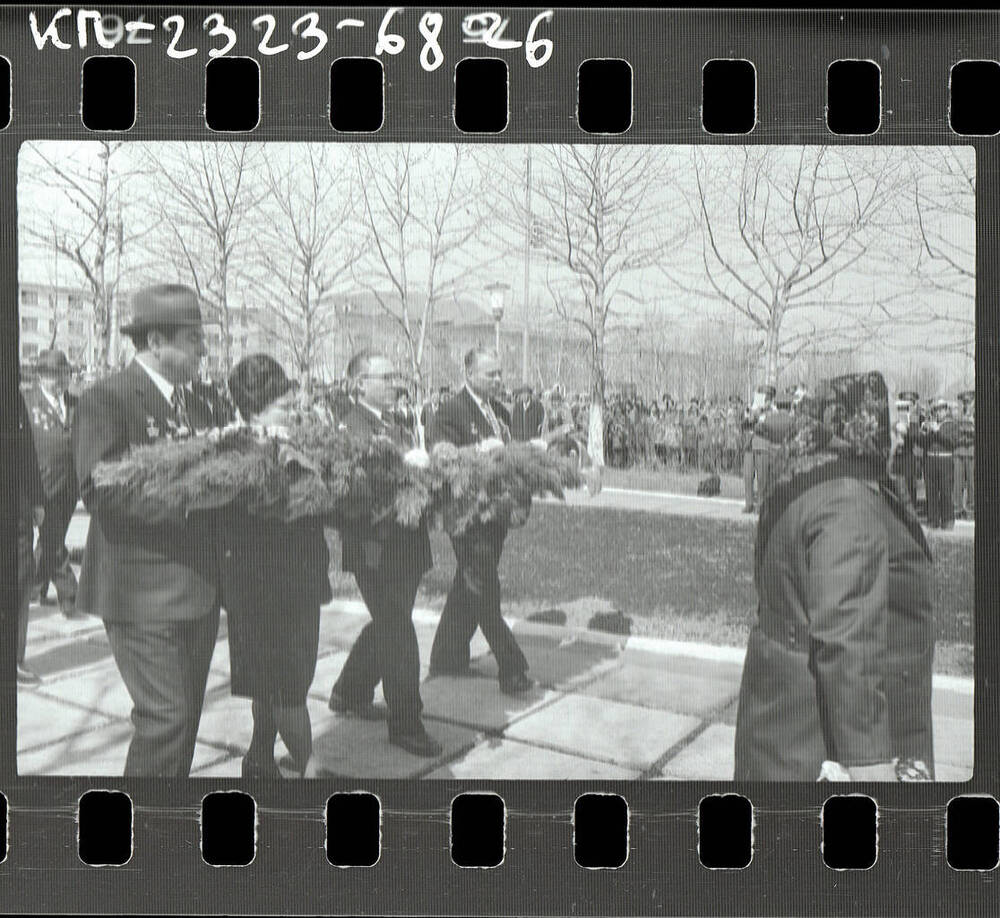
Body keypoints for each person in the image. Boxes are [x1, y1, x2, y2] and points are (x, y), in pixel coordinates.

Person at [735, 371, 935, 781]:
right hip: (822, 734)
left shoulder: (801, 477)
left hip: (777, 713)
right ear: (866, 422)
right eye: (887, 416)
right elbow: (849, 640)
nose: (896, 430)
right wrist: (872, 764)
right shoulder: (849, 500)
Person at [72, 284, 224, 777]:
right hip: (139, 591)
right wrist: (193, 501)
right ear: (156, 341)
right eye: (193, 337)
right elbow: (104, 491)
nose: (203, 347)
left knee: (185, 722)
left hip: (196, 589)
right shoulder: (108, 399)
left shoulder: (198, 404)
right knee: (165, 721)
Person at [220, 355, 330, 778]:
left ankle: (259, 758)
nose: (294, 410)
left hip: (294, 578)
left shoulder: (289, 443)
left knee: (272, 683)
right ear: (256, 408)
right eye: (285, 404)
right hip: (265, 587)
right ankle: (311, 768)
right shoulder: (242, 451)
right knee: (288, 688)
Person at [329, 351, 443, 757]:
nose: (395, 382)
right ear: (360, 384)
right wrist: (406, 470)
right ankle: (406, 723)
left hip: (404, 542)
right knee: (398, 632)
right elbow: (354, 492)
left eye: (394, 375)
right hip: (376, 546)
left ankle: (350, 691)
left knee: (388, 623)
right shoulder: (351, 427)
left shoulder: (390, 422)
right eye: (386, 376)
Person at [426, 348, 532, 695]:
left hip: (495, 514)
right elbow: (444, 462)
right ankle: (511, 667)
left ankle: (446, 656)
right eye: (491, 374)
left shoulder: (499, 412)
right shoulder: (450, 412)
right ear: (469, 374)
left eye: (501, 373)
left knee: (468, 585)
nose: (499, 380)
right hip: (466, 516)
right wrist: (481, 455)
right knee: (485, 587)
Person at [22, 348, 83, 618]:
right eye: (52, 375)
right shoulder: (26, 402)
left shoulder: (75, 402)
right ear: (39, 377)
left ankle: (35, 586)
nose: (59, 380)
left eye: (63, 373)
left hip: (70, 484)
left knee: (50, 539)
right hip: (41, 483)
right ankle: (71, 597)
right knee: (54, 541)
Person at [16, 388, 47, 684]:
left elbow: (27, 450)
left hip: (14, 508)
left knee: (19, 578)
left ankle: (14, 659)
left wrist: (37, 499)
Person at [918, 398, 959, 530]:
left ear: (946, 410)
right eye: (936, 410)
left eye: (941, 409)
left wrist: (938, 432)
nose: (938, 412)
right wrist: (925, 433)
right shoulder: (928, 424)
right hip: (929, 461)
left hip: (945, 461)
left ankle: (948, 520)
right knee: (931, 492)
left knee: (946, 491)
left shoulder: (952, 425)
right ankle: (933, 520)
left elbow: (952, 444)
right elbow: (921, 444)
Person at [953, 391, 974, 520]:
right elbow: (953, 431)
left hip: (972, 451)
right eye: (964, 402)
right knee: (957, 482)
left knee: (972, 482)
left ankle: (971, 509)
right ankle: (957, 508)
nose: (966, 404)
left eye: (969, 401)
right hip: (958, 451)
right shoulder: (957, 415)